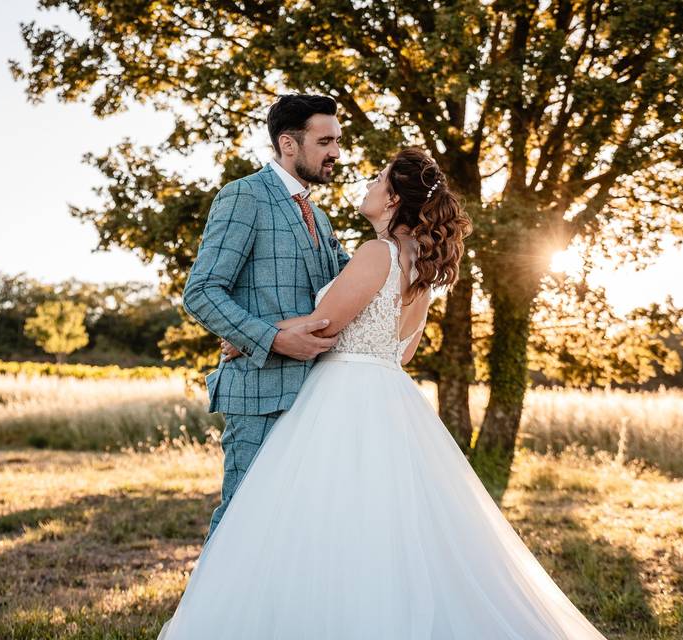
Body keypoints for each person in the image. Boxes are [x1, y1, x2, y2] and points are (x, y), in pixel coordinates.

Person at [160, 146, 609, 639]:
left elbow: (324, 324)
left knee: (318, 517)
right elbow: (405, 351)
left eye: (378, 178)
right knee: (379, 520)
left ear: (394, 198)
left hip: (344, 394)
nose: (368, 184)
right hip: (390, 394)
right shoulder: (423, 265)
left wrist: (245, 338)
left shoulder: (379, 253)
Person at [181, 94, 351, 542]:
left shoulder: (318, 215)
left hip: (315, 397)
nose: (336, 152)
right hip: (258, 396)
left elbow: (349, 291)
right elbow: (200, 292)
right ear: (288, 144)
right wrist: (273, 339)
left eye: (337, 140)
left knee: (296, 532)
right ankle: (210, 615)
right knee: (243, 523)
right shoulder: (243, 197)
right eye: (325, 141)